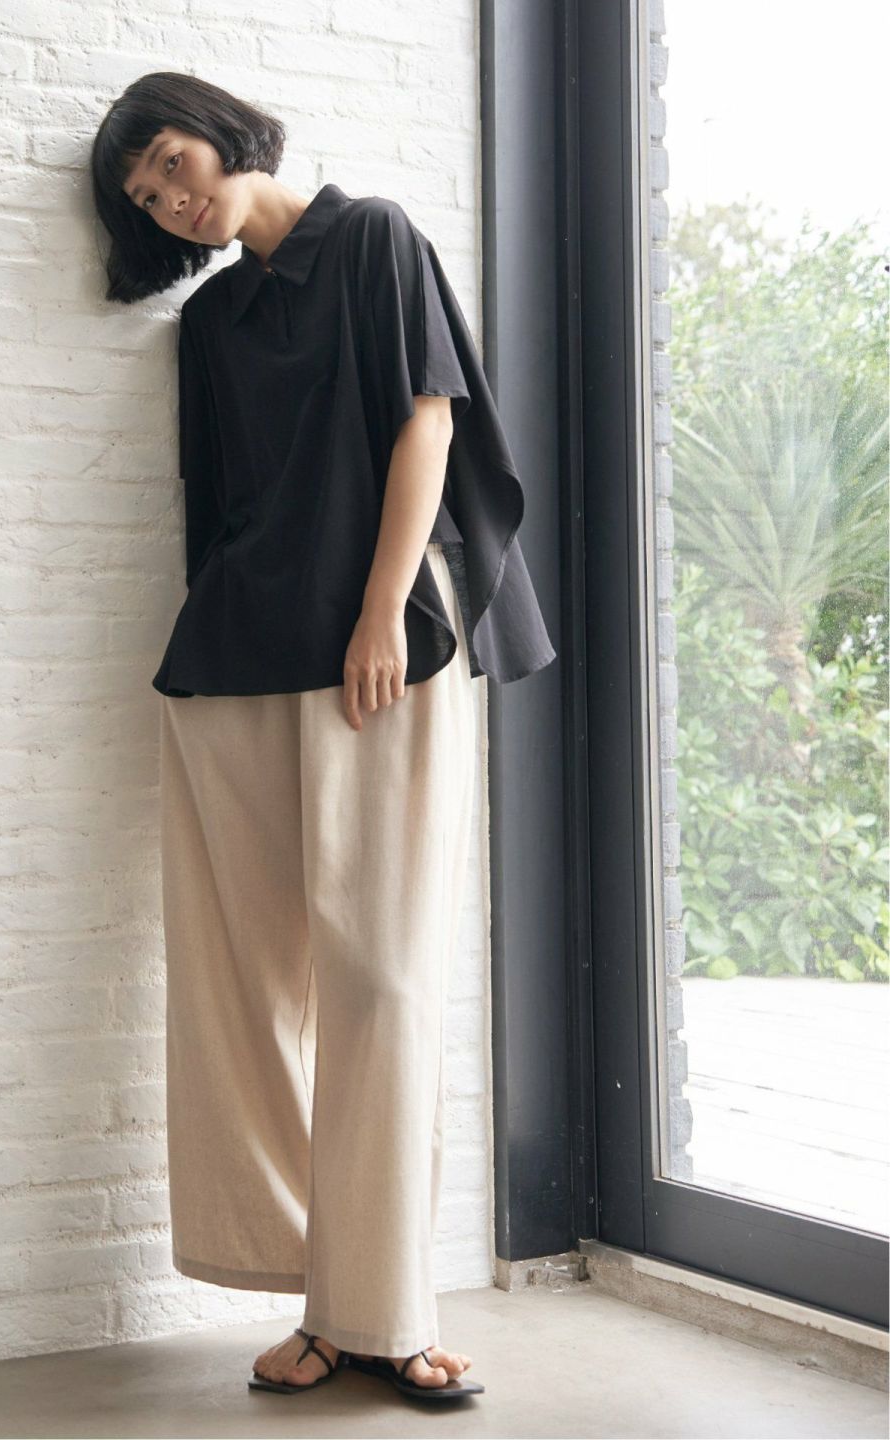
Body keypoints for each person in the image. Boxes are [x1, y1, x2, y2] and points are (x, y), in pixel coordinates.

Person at [90, 71, 555, 1405]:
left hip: (377, 652)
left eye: (171, 163)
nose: (171, 200)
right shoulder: (209, 322)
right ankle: (324, 1297)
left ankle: (388, 1316)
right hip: (235, 663)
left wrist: (380, 613)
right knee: (238, 991)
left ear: (219, 131)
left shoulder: (374, 239)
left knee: (382, 980)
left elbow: (426, 424)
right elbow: (215, 510)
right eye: (145, 198)